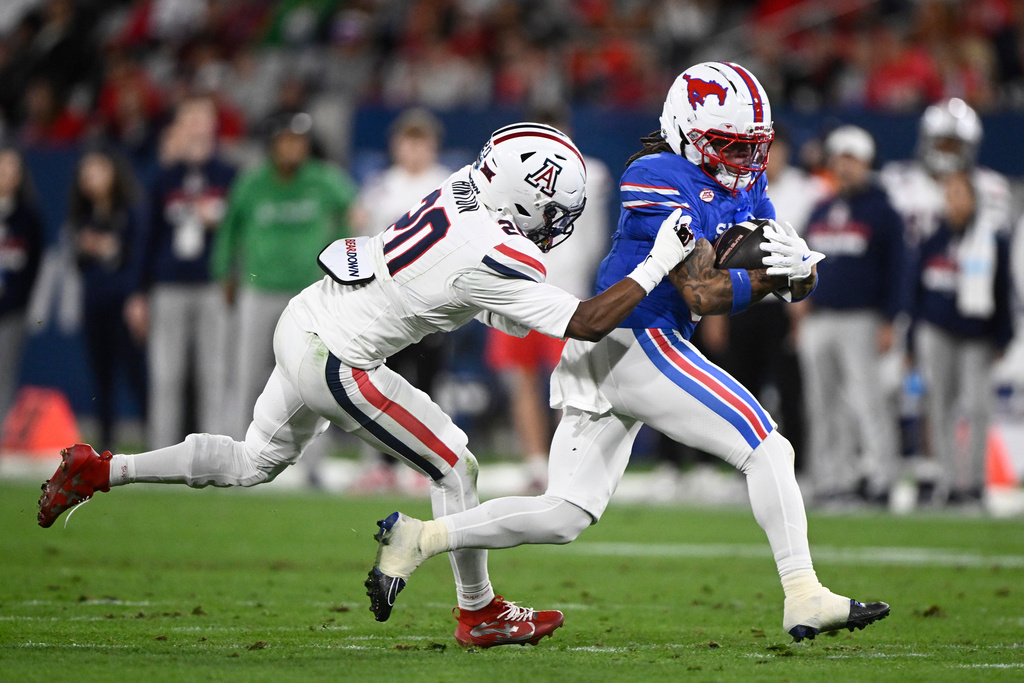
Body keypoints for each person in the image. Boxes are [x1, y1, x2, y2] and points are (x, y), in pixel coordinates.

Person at [37, 122, 697, 648]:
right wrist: (661, 262)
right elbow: (582, 321)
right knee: (454, 463)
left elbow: (475, 288)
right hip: (339, 357)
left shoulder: (466, 185)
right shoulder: (497, 251)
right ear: (522, 199)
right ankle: (480, 612)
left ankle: (99, 469)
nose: (556, 224)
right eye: (552, 210)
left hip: (307, 316)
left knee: (251, 461)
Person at [366, 63, 890, 643]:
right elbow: (700, 289)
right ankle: (803, 594)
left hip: (624, 349)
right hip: (635, 340)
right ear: (688, 131)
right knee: (766, 444)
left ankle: (418, 539)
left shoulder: (746, 183)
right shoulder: (656, 173)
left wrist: (798, 274)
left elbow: (778, 268)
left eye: (753, 148)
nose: (745, 162)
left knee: (566, 513)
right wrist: (770, 280)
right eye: (731, 146)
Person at [483, 105, 612, 493]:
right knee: (520, 382)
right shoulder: (510, 174)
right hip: (516, 291)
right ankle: (536, 463)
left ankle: (562, 464)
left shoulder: (592, 173)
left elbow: (592, 241)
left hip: (565, 293)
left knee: (568, 385)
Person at [211, 112, 357, 441]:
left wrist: (341, 266)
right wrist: (224, 273)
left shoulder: (324, 179)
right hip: (258, 289)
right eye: (287, 140)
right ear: (273, 144)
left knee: (312, 377)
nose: (294, 148)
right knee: (246, 374)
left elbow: (352, 213)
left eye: (300, 141)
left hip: (309, 295)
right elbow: (229, 230)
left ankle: (312, 461)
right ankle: (235, 446)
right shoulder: (252, 182)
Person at [797, 125, 907, 507]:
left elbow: (899, 269)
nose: (843, 167)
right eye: (838, 160)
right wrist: (800, 307)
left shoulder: (883, 211)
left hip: (863, 318)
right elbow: (802, 263)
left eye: (851, 160)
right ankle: (832, 478)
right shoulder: (821, 209)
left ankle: (881, 477)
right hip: (820, 317)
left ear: (866, 163)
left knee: (868, 401)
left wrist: (890, 319)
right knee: (822, 403)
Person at [347, 108, 453, 494]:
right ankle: (382, 463)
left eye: (420, 140)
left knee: (426, 386)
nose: (413, 149)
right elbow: (364, 242)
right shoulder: (380, 187)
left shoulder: (447, 184)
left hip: (431, 302)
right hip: (386, 302)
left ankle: (426, 463)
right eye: (407, 140)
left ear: (432, 145)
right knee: (379, 383)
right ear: (396, 145)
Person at [124, 95, 237, 449]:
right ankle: (161, 453)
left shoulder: (230, 174)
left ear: (213, 124)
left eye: (204, 117)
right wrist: (138, 292)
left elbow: (241, 235)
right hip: (168, 285)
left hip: (212, 284)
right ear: (180, 124)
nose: (197, 125)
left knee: (213, 374)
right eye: (190, 118)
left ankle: (214, 454)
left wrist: (218, 223)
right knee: (166, 375)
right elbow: (145, 238)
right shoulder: (163, 177)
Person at [910, 171, 1013, 507]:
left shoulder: (992, 239)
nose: (953, 200)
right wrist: (913, 337)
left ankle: (975, 484)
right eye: (949, 193)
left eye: (960, 193)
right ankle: (949, 480)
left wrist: (1002, 337)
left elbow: (1003, 290)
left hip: (976, 335)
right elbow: (918, 289)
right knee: (939, 407)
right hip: (938, 330)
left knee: (978, 408)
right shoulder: (933, 238)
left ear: (973, 199)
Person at [67, 148, 148, 449]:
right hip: (94, 303)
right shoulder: (83, 216)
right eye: (86, 173)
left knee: (137, 374)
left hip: (124, 305)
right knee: (101, 379)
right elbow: (79, 262)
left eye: (98, 170)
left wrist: (107, 250)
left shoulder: (131, 211)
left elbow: (136, 259)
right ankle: (104, 444)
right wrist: (89, 248)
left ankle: (154, 436)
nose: (91, 179)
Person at [0, 146, 46, 422]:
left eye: (10, 169)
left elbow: (34, 266)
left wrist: (18, 302)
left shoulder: (28, 216)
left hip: (12, 309)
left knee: (5, 372)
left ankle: (3, 433)